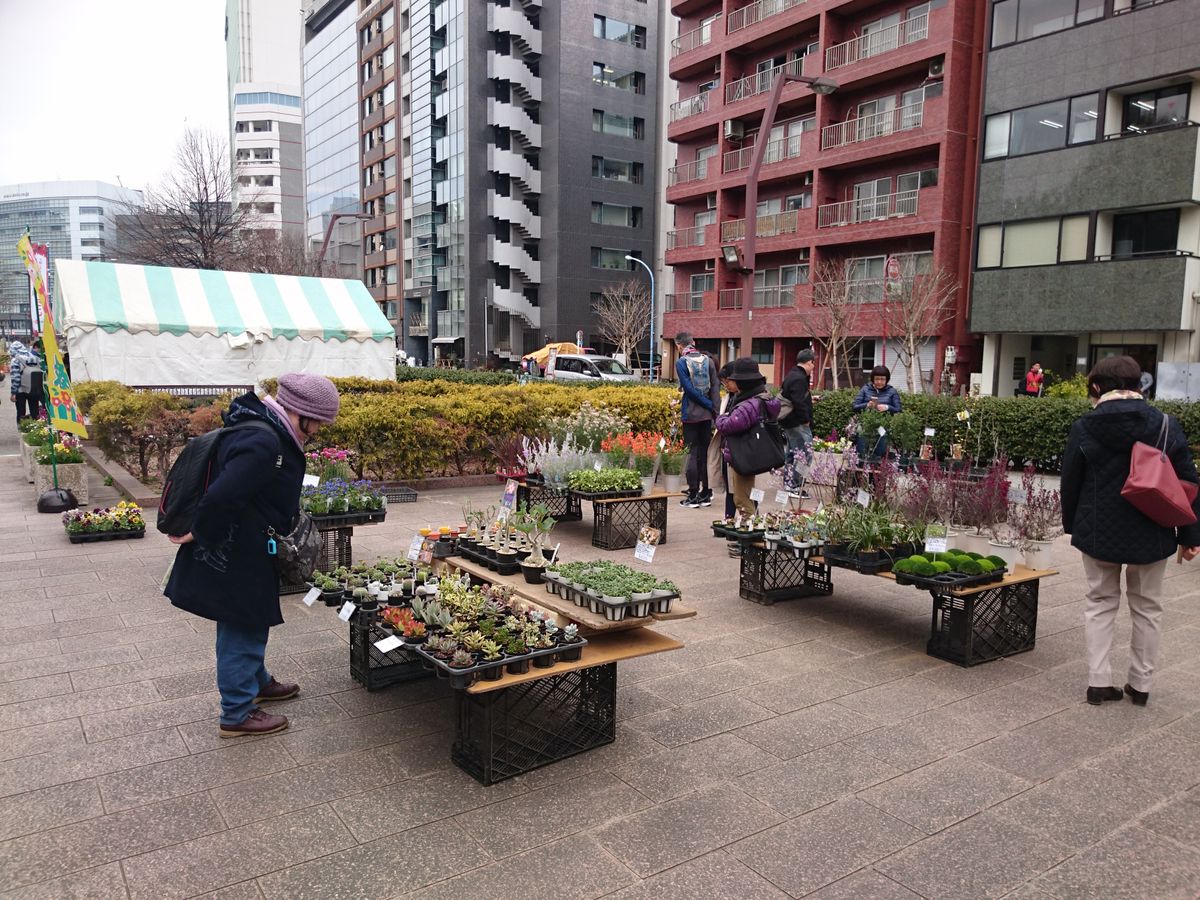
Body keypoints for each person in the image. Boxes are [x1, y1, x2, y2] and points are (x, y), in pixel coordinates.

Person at [164, 374, 341, 737]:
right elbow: (223, 497)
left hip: (247, 543)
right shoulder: (265, 442)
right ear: (301, 412)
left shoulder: (263, 427)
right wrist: (199, 532)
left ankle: (255, 681)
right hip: (237, 551)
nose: (319, 430)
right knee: (242, 623)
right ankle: (237, 711)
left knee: (250, 620)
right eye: (319, 422)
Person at [1060, 355, 1200, 707]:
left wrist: (1072, 526)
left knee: (1100, 604)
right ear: (1140, 384)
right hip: (1153, 530)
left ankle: (1098, 682)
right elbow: (1187, 483)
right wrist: (1190, 537)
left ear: (1095, 386)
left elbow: (1070, 482)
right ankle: (1140, 685)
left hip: (1097, 532)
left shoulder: (1085, 425)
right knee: (1148, 608)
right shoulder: (1166, 423)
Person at [716, 357, 781, 521]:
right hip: (758, 453)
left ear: (743, 383)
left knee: (742, 499)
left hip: (744, 456)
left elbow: (728, 425)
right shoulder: (766, 398)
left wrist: (721, 418)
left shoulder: (748, 405)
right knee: (749, 495)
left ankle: (749, 536)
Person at [675, 332, 720, 508]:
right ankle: (706, 493)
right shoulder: (707, 360)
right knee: (705, 453)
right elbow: (715, 387)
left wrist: (707, 404)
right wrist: (714, 409)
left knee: (692, 453)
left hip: (691, 415)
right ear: (692, 343)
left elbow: (689, 389)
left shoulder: (681, 362)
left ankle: (693, 494)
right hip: (707, 416)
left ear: (680, 345)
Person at [779, 348, 816, 494]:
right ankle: (795, 485)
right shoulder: (799, 378)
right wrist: (805, 419)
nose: (813, 367)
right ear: (808, 362)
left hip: (790, 421)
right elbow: (798, 401)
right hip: (797, 422)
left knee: (792, 453)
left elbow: (795, 397)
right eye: (813, 364)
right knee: (804, 454)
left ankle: (789, 483)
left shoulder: (792, 375)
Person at [851, 365, 901, 458]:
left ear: (887, 380)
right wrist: (867, 405)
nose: (879, 382)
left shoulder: (892, 391)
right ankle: (860, 459)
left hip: (884, 425)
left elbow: (898, 409)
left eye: (882, 379)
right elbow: (855, 406)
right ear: (872, 379)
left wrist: (887, 407)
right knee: (861, 434)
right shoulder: (865, 389)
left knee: (882, 437)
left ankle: (878, 461)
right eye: (877, 379)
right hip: (865, 423)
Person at [9, 340, 41, 423]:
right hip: (34, 388)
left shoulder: (15, 360)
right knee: (35, 411)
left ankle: (23, 430)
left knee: (21, 412)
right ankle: (36, 428)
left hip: (21, 390)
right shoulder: (35, 358)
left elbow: (15, 378)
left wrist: (13, 393)